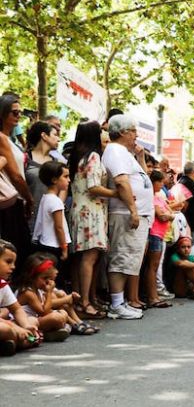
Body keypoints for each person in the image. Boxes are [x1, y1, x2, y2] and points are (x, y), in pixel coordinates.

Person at [102, 114, 153, 319]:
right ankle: (116, 303)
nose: (136, 135)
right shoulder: (115, 150)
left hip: (135, 214)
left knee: (128, 260)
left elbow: (143, 179)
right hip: (125, 214)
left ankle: (121, 301)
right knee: (121, 258)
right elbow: (122, 182)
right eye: (133, 131)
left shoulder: (126, 153)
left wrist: (140, 157)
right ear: (122, 132)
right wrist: (133, 210)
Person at [68, 121, 114, 319]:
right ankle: (86, 302)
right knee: (90, 257)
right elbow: (93, 187)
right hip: (91, 212)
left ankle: (83, 299)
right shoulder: (93, 156)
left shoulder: (77, 157)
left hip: (79, 210)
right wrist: (117, 193)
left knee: (81, 258)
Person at [0, 93, 34, 268]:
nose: (18, 116)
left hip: (15, 201)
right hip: (9, 203)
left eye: (19, 112)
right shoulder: (1, 138)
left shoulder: (10, 139)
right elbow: (15, 176)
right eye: (14, 112)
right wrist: (29, 198)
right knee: (17, 253)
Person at [0, 241, 40, 356]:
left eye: (13, 263)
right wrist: (15, 327)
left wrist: (26, 325)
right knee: (5, 330)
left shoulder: (2, 284)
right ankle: (21, 342)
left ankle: (10, 343)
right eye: (8, 262)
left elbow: (16, 309)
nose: (13, 267)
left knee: (32, 320)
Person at [30, 162, 71, 266]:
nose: (69, 180)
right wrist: (64, 247)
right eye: (65, 176)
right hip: (54, 245)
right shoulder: (56, 201)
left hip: (44, 242)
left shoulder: (46, 198)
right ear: (54, 180)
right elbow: (59, 227)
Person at [24, 121, 62, 228]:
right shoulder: (25, 159)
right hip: (29, 219)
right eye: (55, 135)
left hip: (51, 220)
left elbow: (63, 189)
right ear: (44, 136)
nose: (58, 139)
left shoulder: (57, 162)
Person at [145, 170, 173, 308]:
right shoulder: (152, 197)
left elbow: (168, 212)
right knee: (152, 266)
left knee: (155, 266)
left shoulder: (158, 197)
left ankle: (155, 295)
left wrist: (168, 214)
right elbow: (162, 215)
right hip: (155, 233)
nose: (162, 184)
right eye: (160, 181)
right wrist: (169, 215)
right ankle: (152, 296)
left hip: (160, 234)